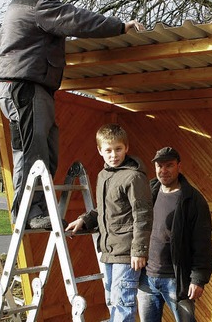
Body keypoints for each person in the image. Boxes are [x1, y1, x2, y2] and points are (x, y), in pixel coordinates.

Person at [0, 0, 145, 229]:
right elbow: (75, 19)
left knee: (43, 151)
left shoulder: (30, 2)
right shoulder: (36, 1)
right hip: (25, 87)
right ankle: (30, 212)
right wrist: (119, 26)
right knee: (34, 153)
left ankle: (36, 209)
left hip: (30, 87)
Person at [65, 123, 152, 321]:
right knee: (113, 302)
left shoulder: (134, 177)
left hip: (127, 253)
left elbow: (143, 215)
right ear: (100, 151)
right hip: (108, 251)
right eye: (108, 150)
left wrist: (139, 251)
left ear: (126, 148)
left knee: (123, 304)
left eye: (118, 149)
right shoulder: (103, 175)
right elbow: (104, 209)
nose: (114, 155)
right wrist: (84, 219)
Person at [137, 147, 212, 322]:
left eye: (169, 165)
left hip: (177, 280)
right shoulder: (148, 191)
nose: (163, 171)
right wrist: (86, 220)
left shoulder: (193, 200)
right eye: (159, 166)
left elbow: (202, 243)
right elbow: (118, 208)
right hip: (147, 279)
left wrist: (198, 279)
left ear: (179, 166)